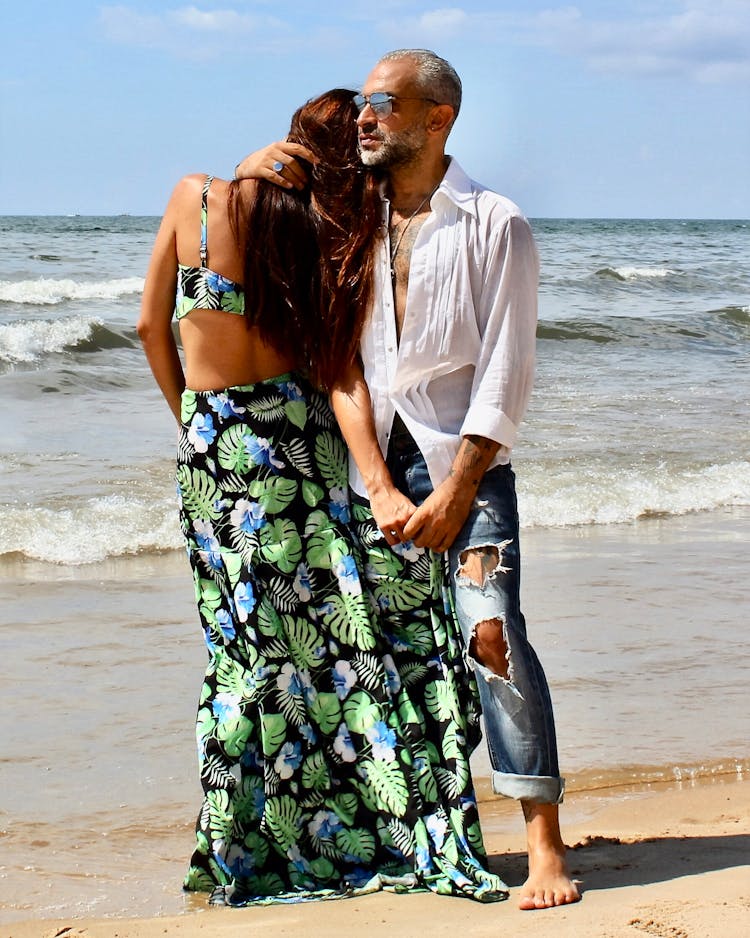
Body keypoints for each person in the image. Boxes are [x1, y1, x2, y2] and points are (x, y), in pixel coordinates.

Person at [138, 88, 507, 907]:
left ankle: (242, 847)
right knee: (334, 638)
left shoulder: (194, 197)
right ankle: (374, 815)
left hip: (215, 451)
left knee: (244, 645)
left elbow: (148, 328)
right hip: (300, 449)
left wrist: (196, 423)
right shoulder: (325, 237)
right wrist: (377, 482)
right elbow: (338, 368)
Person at [236, 51, 581, 910]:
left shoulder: (495, 223)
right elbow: (342, 368)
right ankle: (425, 837)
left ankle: (544, 846)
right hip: (371, 472)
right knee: (393, 660)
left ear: (439, 120)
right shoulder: (348, 224)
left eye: (384, 104)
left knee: (491, 636)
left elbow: (506, 373)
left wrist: (457, 490)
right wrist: (378, 485)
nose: (364, 116)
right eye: (362, 105)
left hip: (464, 463)